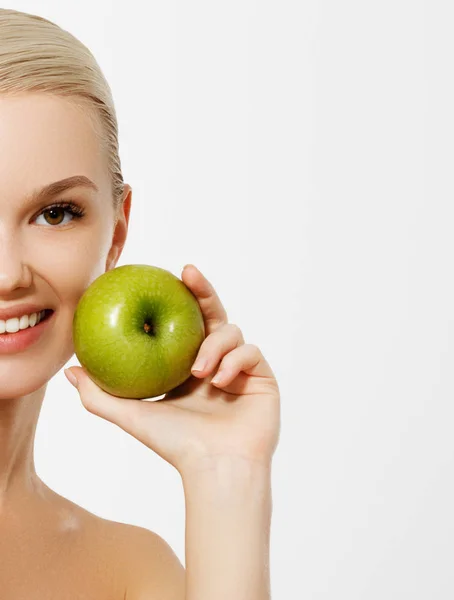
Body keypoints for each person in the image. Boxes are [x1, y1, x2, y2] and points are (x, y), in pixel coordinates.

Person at [0, 8, 280, 599]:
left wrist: (226, 472)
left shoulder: (130, 572)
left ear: (115, 234)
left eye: (55, 214)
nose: (7, 274)